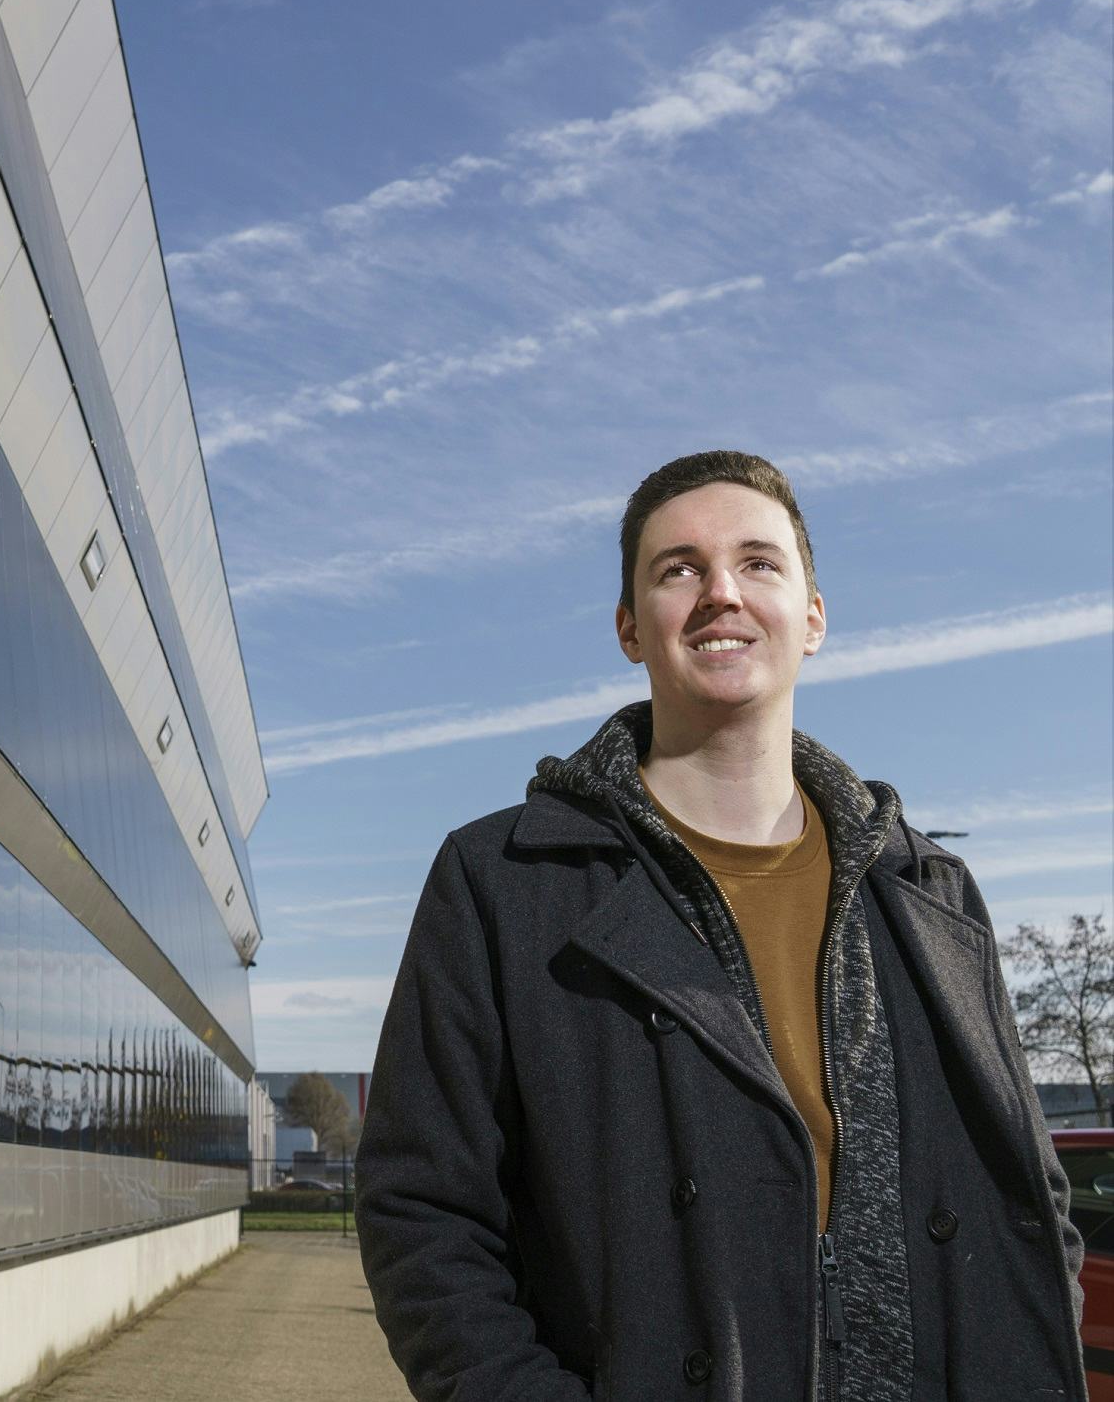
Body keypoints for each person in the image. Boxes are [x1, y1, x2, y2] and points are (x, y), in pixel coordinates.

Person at [355, 452, 1084, 1400]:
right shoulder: (503, 882)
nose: (721, 594)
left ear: (813, 617)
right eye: (679, 569)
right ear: (630, 628)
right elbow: (422, 1214)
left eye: (759, 563)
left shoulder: (929, 887)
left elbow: (1033, 1195)